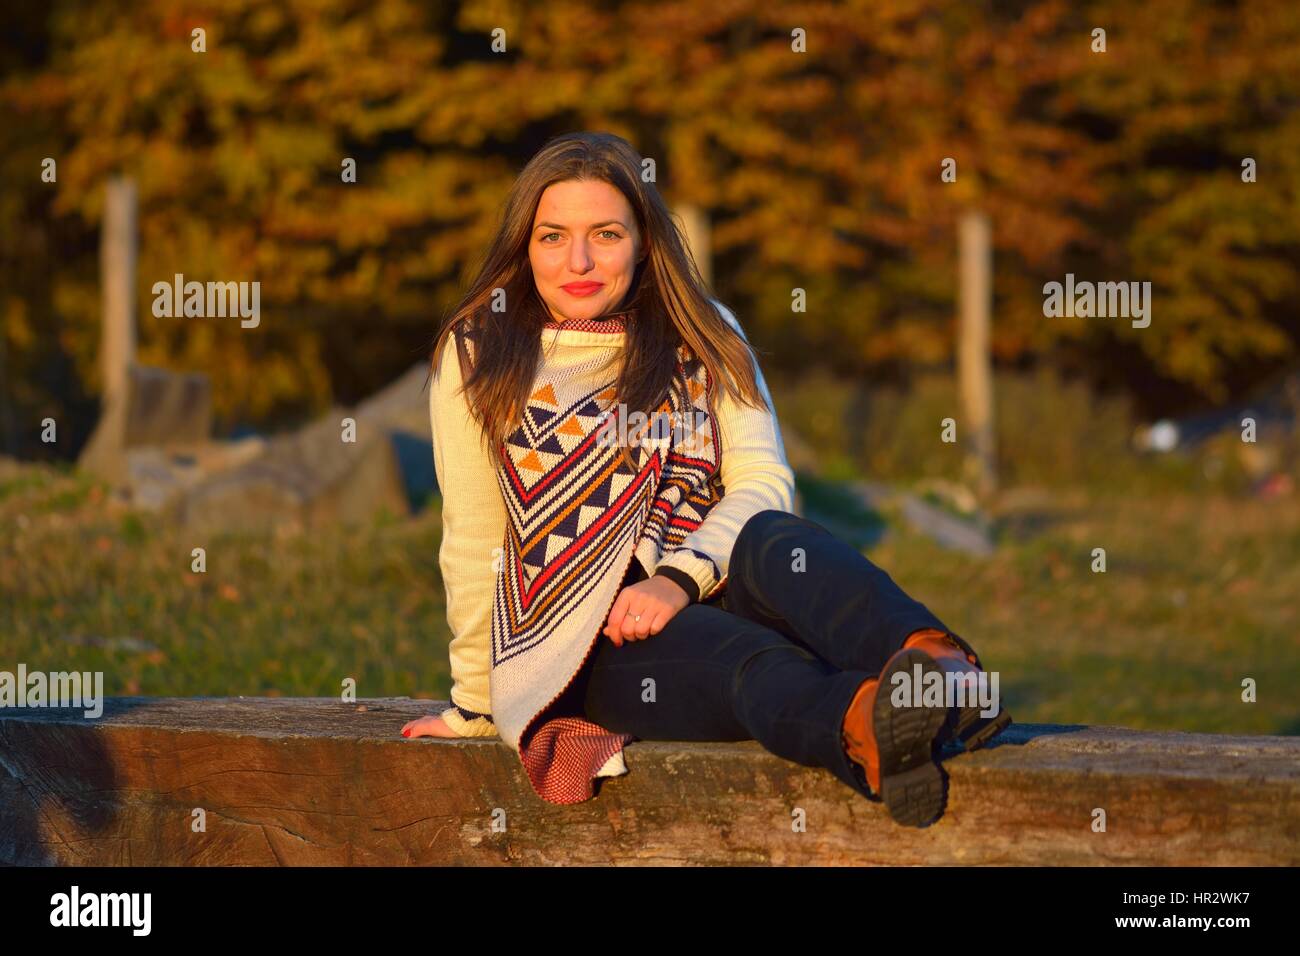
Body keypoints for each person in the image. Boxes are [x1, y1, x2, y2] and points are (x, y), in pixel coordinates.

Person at [402, 131, 1009, 827]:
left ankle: (943, 671)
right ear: (523, 244)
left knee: (778, 537)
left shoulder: (704, 329)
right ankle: (870, 726)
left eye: (605, 234)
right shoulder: (480, 349)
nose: (578, 261)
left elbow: (762, 481)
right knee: (745, 658)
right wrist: (479, 706)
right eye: (551, 237)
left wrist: (680, 577)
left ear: (644, 241)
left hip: (707, 577)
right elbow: (474, 538)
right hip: (593, 647)